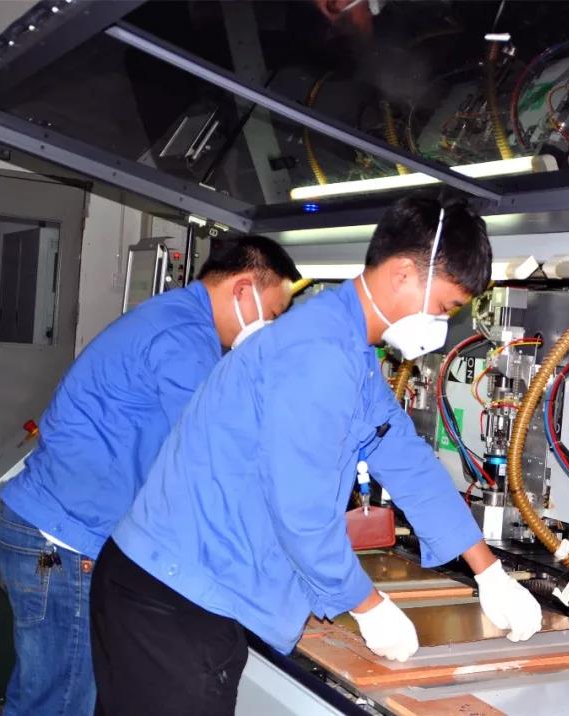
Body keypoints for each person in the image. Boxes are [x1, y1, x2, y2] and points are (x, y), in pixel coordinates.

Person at [90, 195, 543, 715]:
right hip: (172, 602)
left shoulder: (347, 344)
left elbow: (404, 456)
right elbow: (301, 513)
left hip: (175, 590)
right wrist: (368, 606)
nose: (441, 323)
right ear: (402, 273)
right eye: (444, 307)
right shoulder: (318, 354)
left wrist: (488, 571)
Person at [0, 237, 300, 716]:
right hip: (64, 544)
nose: (272, 329)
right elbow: (217, 454)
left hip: (53, 530)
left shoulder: (174, 318)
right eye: (274, 314)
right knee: (61, 702)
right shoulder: (185, 339)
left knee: (48, 694)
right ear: (244, 290)